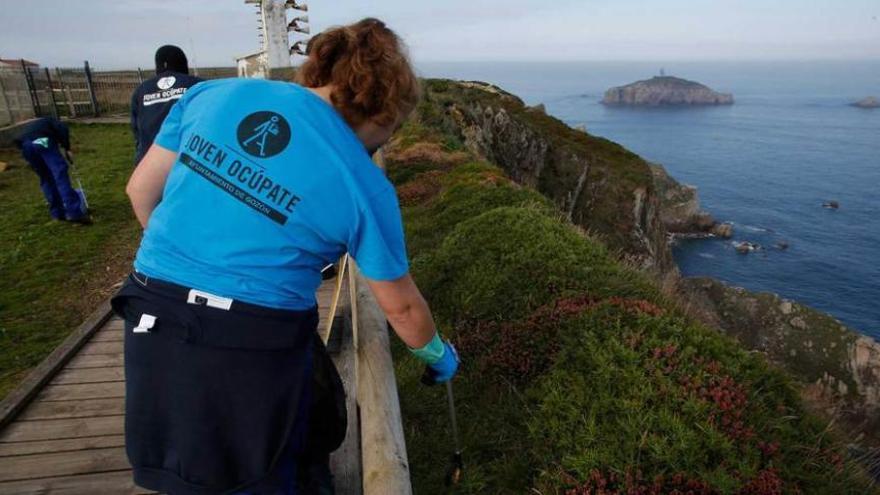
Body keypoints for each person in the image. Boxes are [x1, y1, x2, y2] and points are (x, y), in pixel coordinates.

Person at [113, 18, 459, 495]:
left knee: (181, 468)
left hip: (150, 309)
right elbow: (400, 307)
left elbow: (140, 191)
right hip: (254, 339)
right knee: (266, 473)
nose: (387, 141)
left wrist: (192, 256)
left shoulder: (211, 96)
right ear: (383, 106)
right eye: (393, 128)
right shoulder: (365, 182)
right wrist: (434, 351)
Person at [130, 45, 203, 165]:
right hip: (188, 161)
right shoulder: (198, 85)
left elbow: (137, 132)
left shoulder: (141, 90)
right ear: (183, 63)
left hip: (150, 162)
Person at [13, 116, 89, 223]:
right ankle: (74, 213)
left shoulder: (38, 124)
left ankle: (57, 213)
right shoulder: (54, 121)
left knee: (46, 178)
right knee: (60, 175)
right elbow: (63, 129)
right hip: (42, 141)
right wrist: (67, 148)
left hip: (26, 145)